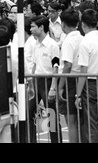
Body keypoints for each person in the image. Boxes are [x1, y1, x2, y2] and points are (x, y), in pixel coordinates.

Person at [75, 9, 98, 143]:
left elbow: (83, 71)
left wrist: (78, 94)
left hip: (90, 84)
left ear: (83, 24)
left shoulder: (85, 42)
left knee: (91, 122)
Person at [28, 15, 62, 143]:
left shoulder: (52, 45)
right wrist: (30, 84)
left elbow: (56, 66)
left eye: (33, 26)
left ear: (41, 27)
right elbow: (34, 64)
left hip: (48, 82)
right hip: (37, 81)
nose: (30, 29)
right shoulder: (35, 44)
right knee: (28, 113)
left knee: (51, 116)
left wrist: (53, 88)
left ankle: (56, 141)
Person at [57, 7, 83, 143]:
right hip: (82, 79)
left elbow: (67, 65)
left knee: (71, 121)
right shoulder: (82, 38)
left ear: (63, 24)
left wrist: (60, 86)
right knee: (79, 121)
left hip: (70, 81)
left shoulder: (68, 41)